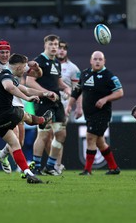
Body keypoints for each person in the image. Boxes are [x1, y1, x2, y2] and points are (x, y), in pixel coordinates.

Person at [0, 53, 56, 184]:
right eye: (24, 68)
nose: (25, 71)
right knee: (20, 113)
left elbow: (27, 90)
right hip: (3, 113)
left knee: (15, 144)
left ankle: (27, 173)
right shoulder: (6, 76)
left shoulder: (2, 76)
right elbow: (9, 87)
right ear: (18, 68)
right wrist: (27, 99)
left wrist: (45, 93)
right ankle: (41, 121)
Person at [0, 34, 44, 175]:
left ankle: (3, 155)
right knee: (14, 137)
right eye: (2, 52)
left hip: (17, 102)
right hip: (1, 104)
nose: (5, 54)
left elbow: (37, 75)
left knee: (19, 140)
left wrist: (36, 68)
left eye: (7, 52)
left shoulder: (14, 65)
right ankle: (23, 169)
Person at [66, 51, 123, 175]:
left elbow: (119, 92)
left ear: (104, 61)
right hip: (89, 114)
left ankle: (87, 170)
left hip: (102, 113)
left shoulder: (109, 76)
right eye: (95, 59)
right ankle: (114, 167)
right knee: (99, 141)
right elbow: (77, 91)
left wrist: (105, 99)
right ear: (91, 61)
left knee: (90, 137)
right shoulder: (85, 74)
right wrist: (70, 105)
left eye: (100, 59)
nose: (97, 61)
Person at [25, 34, 72, 176]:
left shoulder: (56, 63)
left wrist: (66, 88)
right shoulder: (39, 61)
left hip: (56, 103)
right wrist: (47, 93)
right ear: (45, 45)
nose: (54, 47)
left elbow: (57, 82)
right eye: (51, 44)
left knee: (61, 134)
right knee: (44, 135)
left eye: (56, 45)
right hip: (43, 102)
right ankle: (36, 167)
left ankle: (50, 166)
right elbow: (29, 81)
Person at [54, 40, 83, 173]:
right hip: (48, 102)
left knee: (58, 134)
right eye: (59, 48)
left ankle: (57, 164)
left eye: (64, 49)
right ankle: (51, 163)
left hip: (64, 103)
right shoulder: (49, 64)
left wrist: (79, 107)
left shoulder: (73, 68)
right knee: (47, 135)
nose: (61, 51)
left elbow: (77, 90)